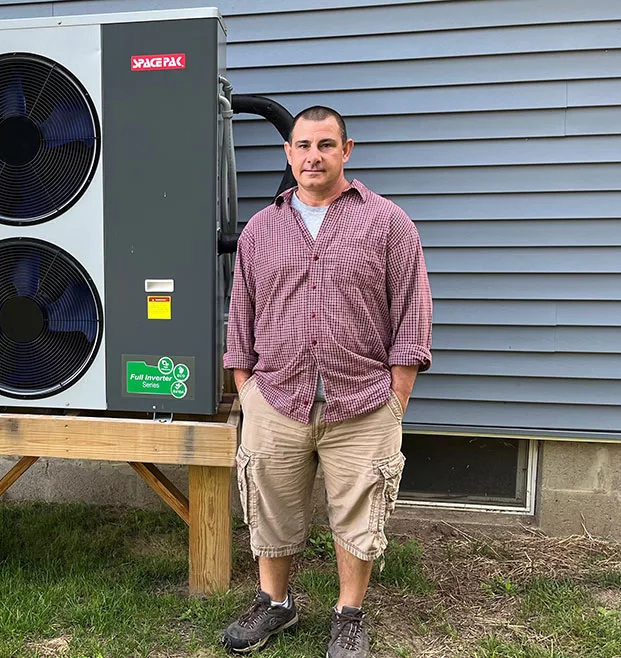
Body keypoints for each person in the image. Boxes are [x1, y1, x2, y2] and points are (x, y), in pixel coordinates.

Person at [220, 106, 432, 656]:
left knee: (360, 511)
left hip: (363, 399)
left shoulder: (388, 223)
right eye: (303, 146)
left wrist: (397, 395)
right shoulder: (261, 230)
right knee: (270, 502)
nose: (313, 156)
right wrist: (245, 387)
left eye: (325, 145)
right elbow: (240, 313)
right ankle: (276, 604)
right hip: (276, 395)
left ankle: (349, 614)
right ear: (288, 154)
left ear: (346, 151)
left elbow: (412, 310)